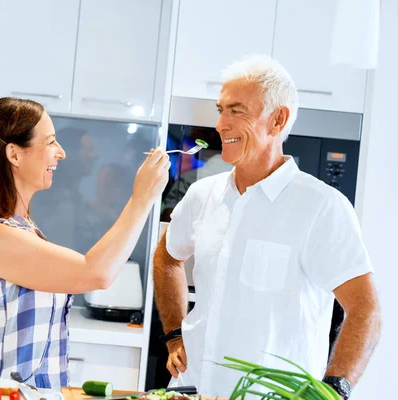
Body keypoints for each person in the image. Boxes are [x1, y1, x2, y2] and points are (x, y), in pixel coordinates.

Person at [153, 55, 382, 399]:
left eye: (237, 111)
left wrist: (334, 390)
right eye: (220, 110)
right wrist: (174, 335)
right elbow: (167, 257)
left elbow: (367, 310)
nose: (220, 124)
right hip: (191, 388)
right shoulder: (203, 195)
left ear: (277, 120)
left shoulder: (322, 208)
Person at [0, 97, 169, 389]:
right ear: (14, 154)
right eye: (50, 142)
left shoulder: (22, 229)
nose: (61, 153)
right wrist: (142, 198)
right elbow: (97, 272)